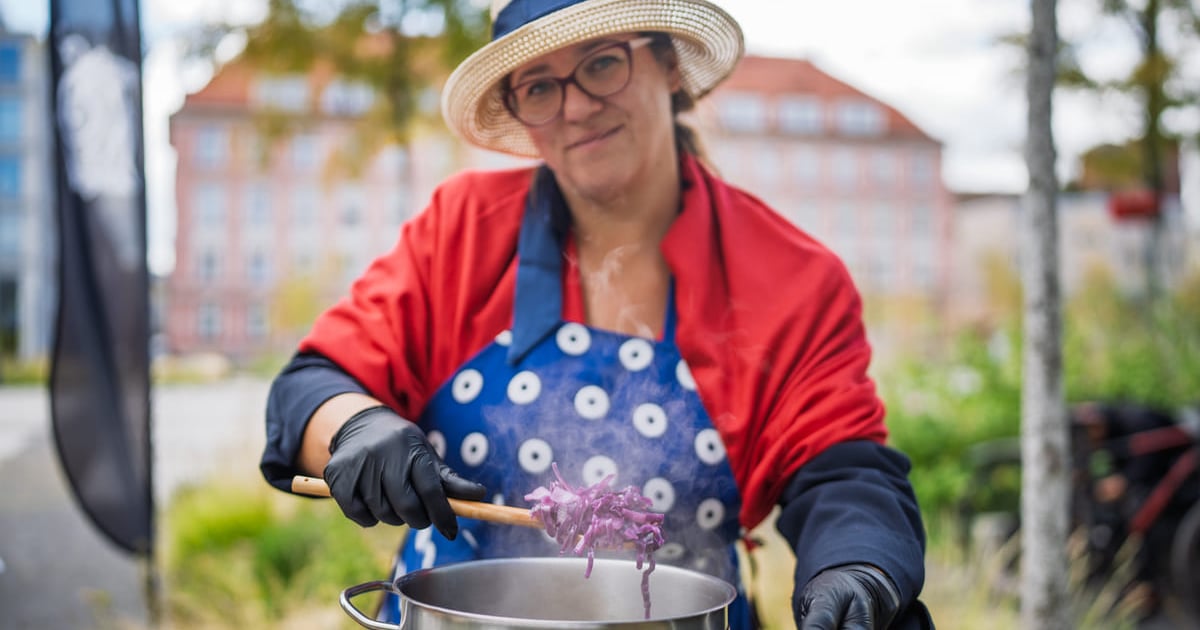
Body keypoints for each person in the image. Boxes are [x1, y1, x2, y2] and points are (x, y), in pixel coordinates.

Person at [260, 0, 934, 627]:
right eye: (540, 86)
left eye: (602, 63)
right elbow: (314, 385)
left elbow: (843, 472)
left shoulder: (790, 277)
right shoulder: (461, 230)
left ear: (669, 64)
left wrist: (858, 567)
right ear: (520, 110)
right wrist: (357, 428)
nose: (576, 107)